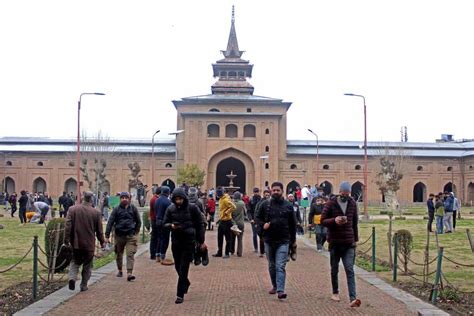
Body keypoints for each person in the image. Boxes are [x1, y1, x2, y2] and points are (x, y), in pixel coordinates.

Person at [163, 187, 207, 304]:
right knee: (177, 266)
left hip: (189, 241)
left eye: (180, 199)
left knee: (184, 267)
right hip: (176, 241)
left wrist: (201, 240)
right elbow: (164, 223)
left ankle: (180, 294)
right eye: (176, 199)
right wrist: (171, 226)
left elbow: (200, 224)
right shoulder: (170, 209)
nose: (179, 201)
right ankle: (185, 283)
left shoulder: (192, 208)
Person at [321, 181, 361, 308]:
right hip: (335, 242)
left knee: (349, 269)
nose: (346, 196)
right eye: (344, 193)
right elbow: (322, 220)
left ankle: (353, 298)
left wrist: (355, 239)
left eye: (348, 193)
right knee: (334, 268)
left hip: (348, 242)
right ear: (340, 192)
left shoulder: (352, 203)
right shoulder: (331, 203)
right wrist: (334, 220)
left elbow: (355, 222)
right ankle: (335, 292)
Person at [256, 182, 296, 300]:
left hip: (283, 240)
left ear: (282, 191)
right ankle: (275, 285)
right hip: (269, 240)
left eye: (278, 190)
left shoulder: (288, 206)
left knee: (280, 266)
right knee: (272, 265)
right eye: (274, 190)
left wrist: (293, 240)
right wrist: (263, 225)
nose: (275, 192)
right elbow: (257, 218)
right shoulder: (265, 205)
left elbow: (292, 224)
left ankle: (280, 290)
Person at [64, 192, 105, 292]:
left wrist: (66, 240)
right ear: (91, 199)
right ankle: (83, 285)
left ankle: (72, 278)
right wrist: (102, 242)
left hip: (76, 243)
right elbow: (99, 231)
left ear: (82, 198)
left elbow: (67, 226)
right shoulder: (95, 212)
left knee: (75, 262)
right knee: (87, 265)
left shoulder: (73, 209)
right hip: (89, 244)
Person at [105, 192, 141, 281]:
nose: (124, 199)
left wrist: (135, 231)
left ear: (129, 199)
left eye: (126, 197)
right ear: (120, 199)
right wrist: (107, 235)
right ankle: (120, 270)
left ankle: (129, 273)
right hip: (119, 235)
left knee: (130, 254)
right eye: (122, 198)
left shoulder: (133, 209)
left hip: (130, 235)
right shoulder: (116, 209)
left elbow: (138, 221)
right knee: (119, 254)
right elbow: (110, 222)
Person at [212, 188, 235, 259]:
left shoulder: (225, 199)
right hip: (222, 221)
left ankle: (227, 253)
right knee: (220, 237)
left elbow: (233, 207)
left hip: (227, 221)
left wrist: (227, 212)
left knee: (228, 238)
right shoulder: (221, 199)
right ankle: (219, 252)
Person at [154, 186, 173, 265]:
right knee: (165, 239)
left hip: (157, 221)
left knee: (159, 238)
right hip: (165, 222)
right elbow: (170, 213)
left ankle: (157, 255)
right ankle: (162, 257)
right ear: (168, 192)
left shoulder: (157, 200)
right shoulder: (168, 202)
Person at [255, 189, 271, 258]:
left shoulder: (272, 202)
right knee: (261, 238)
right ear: (263, 194)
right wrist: (257, 222)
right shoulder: (260, 203)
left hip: (269, 224)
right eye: (266, 195)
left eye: (268, 195)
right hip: (262, 224)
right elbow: (257, 213)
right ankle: (262, 252)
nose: (267, 196)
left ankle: (267, 251)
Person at [231, 191, 246, 257]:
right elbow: (245, 212)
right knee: (240, 239)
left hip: (234, 223)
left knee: (232, 238)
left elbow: (230, 214)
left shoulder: (232, 203)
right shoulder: (242, 203)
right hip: (241, 223)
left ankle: (232, 251)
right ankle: (239, 252)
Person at [248, 187, 262, 254]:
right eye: (255, 192)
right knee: (254, 234)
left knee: (261, 234)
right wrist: (251, 219)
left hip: (260, 220)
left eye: (257, 192)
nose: (256, 193)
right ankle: (256, 248)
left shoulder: (261, 200)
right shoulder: (251, 200)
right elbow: (249, 211)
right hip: (253, 220)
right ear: (253, 192)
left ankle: (263, 248)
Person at [149, 187, 161, 260]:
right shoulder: (155, 199)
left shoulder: (154, 198)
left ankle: (153, 253)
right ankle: (153, 254)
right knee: (155, 237)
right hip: (155, 220)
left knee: (154, 237)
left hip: (153, 219)